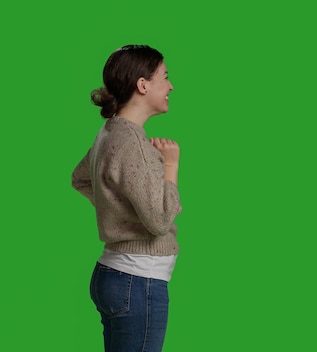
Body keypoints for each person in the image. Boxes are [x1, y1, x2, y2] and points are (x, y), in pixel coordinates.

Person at [72, 44, 181, 352]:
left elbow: (80, 178)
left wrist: (117, 212)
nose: (171, 85)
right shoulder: (133, 143)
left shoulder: (111, 131)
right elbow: (159, 221)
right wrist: (171, 165)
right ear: (143, 85)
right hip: (138, 282)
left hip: (115, 277)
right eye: (165, 76)